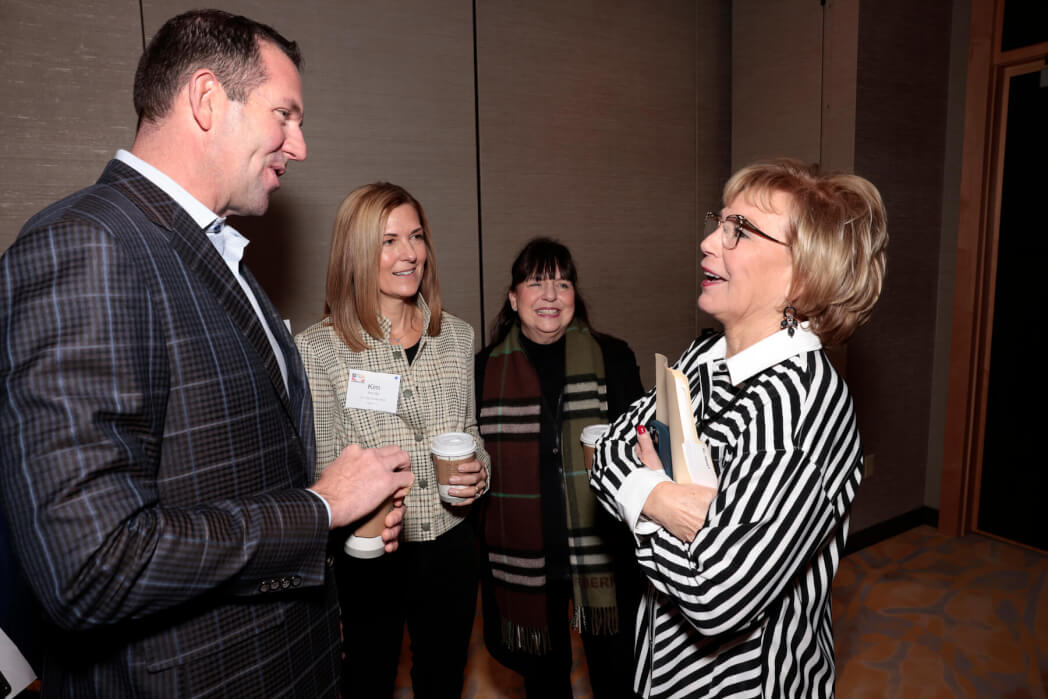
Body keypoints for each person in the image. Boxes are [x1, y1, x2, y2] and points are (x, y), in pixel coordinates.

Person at [0, 10, 412, 697]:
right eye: (285, 115)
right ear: (205, 99)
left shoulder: (213, 250)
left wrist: (332, 524)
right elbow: (91, 565)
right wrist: (320, 508)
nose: (300, 145)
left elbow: (224, 479)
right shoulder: (88, 245)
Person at [590, 158, 888, 698]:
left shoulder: (800, 408)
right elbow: (608, 450)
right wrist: (660, 499)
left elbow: (713, 594)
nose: (708, 242)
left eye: (740, 231)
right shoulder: (704, 355)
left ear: (804, 274)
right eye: (720, 222)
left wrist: (638, 492)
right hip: (664, 669)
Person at [296, 182, 489, 698]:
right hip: (370, 552)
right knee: (368, 682)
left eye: (416, 236)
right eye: (389, 241)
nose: (410, 253)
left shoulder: (457, 337)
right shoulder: (321, 348)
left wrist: (480, 471)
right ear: (357, 253)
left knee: (443, 681)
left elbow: (469, 431)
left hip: (451, 544)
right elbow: (321, 469)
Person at [475, 237, 645, 697]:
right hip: (527, 559)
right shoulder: (484, 370)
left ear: (574, 296)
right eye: (536, 282)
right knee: (545, 683)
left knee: (618, 677)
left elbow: (643, 446)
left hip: (604, 552)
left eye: (562, 283)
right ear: (514, 298)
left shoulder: (613, 357)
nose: (550, 295)